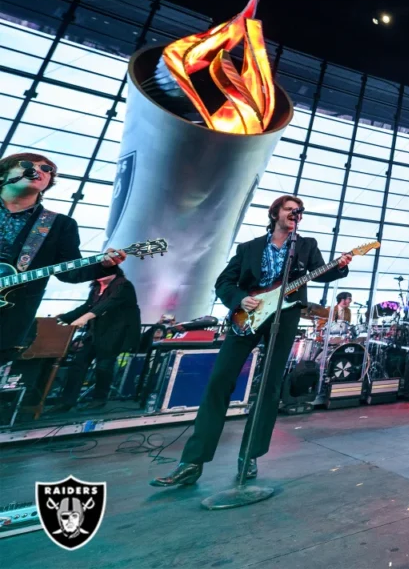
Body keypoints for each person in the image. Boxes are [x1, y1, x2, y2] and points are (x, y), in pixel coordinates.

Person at [152, 195, 352, 488]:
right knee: (220, 381)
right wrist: (239, 300)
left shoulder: (306, 246)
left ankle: (249, 457)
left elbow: (321, 274)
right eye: (288, 209)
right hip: (246, 318)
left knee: (270, 386)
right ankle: (191, 463)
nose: (295, 214)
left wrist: (342, 265)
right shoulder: (249, 248)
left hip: (284, 319)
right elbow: (224, 282)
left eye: (298, 211)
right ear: (275, 214)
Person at [0, 152, 125, 366]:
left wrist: (103, 266)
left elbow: (70, 272)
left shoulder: (58, 225)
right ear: (3, 175)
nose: (39, 170)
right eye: (28, 164)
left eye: (47, 170)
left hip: (8, 324)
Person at [51, 268, 140, 411]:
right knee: (78, 364)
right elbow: (86, 306)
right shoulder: (96, 288)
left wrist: (85, 318)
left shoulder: (124, 285)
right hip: (94, 333)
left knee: (103, 366)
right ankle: (67, 401)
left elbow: (108, 304)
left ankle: (99, 399)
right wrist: (62, 319)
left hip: (114, 334)